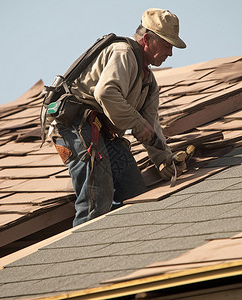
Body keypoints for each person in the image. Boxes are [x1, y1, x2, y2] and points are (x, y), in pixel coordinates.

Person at [51, 8, 187, 227]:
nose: (170, 53)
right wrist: (137, 123)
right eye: (167, 44)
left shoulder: (149, 82)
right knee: (97, 198)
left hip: (103, 132)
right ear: (147, 39)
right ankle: (84, 253)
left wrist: (164, 158)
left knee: (135, 192)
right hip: (77, 125)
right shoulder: (123, 52)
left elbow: (150, 125)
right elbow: (106, 93)